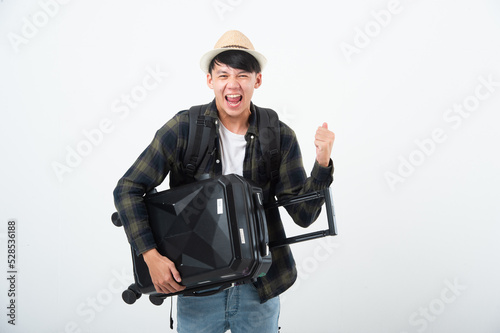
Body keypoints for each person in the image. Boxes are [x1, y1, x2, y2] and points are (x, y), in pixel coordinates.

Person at [113, 30, 335, 333]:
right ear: (210, 80)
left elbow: (305, 216)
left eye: (243, 75)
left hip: (260, 287)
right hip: (197, 290)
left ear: (257, 81)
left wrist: (322, 163)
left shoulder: (279, 136)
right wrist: (150, 256)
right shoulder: (184, 129)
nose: (233, 85)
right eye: (223, 75)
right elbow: (128, 189)